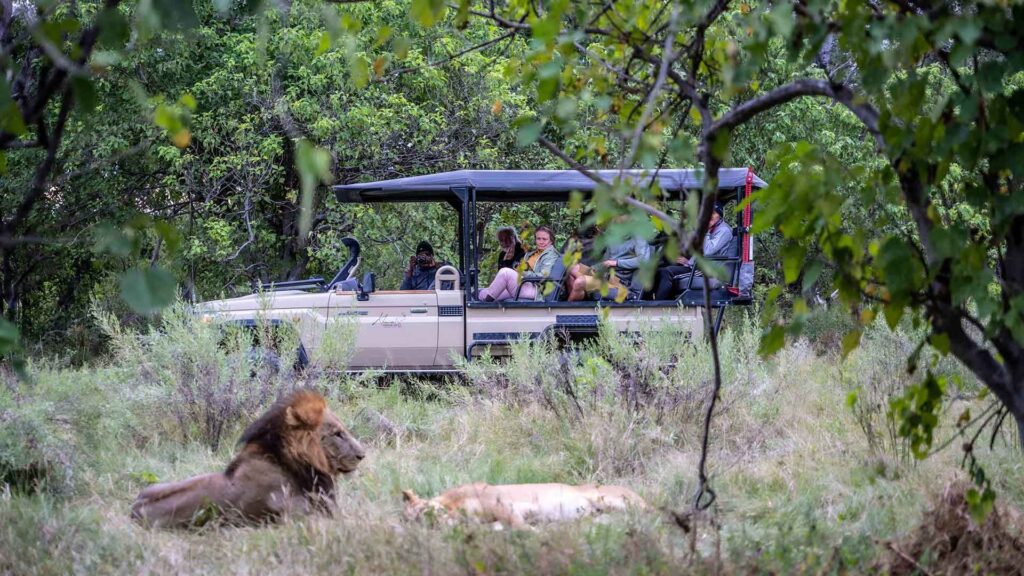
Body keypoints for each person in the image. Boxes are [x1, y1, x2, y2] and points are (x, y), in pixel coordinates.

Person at [653, 202, 733, 300]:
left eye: (713, 213)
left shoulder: (724, 230)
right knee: (660, 269)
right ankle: (647, 303)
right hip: (697, 266)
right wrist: (688, 263)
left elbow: (707, 251)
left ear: (720, 216)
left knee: (667, 272)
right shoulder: (712, 227)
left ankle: (660, 305)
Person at [565, 223, 651, 302]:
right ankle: (582, 294)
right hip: (605, 276)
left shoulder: (638, 238)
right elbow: (605, 262)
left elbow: (643, 261)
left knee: (579, 282)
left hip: (619, 282)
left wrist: (616, 263)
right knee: (572, 268)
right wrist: (595, 268)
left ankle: (566, 311)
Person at [477, 226, 560, 302]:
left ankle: (485, 304)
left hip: (536, 289)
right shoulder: (536, 252)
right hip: (526, 283)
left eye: (544, 239)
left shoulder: (550, 254)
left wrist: (522, 272)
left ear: (551, 240)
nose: (541, 242)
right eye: (538, 239)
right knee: (482, 293)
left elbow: (543, 276)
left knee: (505, 272)